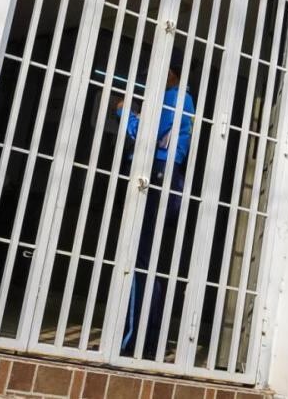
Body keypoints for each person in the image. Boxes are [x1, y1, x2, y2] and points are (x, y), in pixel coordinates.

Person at [116, 51, 195, 358]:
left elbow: (145, 136)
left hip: (158, 177)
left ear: (172, 73)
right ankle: (142, 343)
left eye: (157, 71)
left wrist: (125, 113)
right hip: (164, 178)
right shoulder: (180, 100)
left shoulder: (174, 99)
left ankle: (135, 345)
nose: (152, 78)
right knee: (145, 263)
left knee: (140, 263)